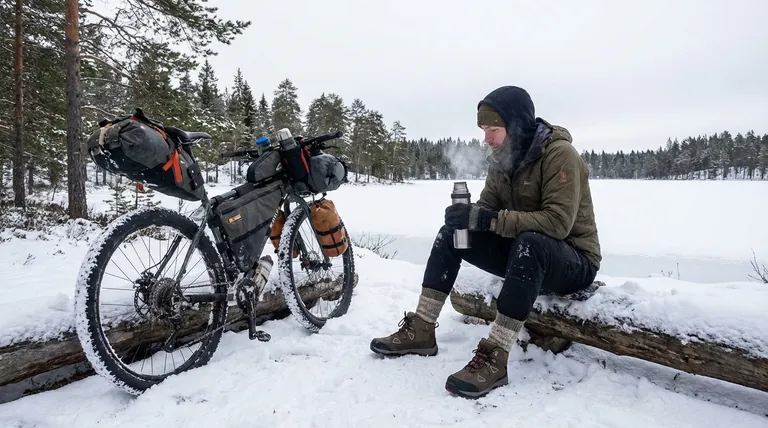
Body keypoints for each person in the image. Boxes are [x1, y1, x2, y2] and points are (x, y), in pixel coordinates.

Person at [369, 85, 601, 399]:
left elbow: (557, 224)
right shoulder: (501, 161)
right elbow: (489, 210)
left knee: (531, 242)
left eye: (493, 129)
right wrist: (468, 216)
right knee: (451, 234)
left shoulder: (561, 155)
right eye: (483, 130)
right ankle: (422, 328)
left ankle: (496, 355)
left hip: (574, 261)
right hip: (524, 255)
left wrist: (488, 220)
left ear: (516, 126)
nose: (486, 138)